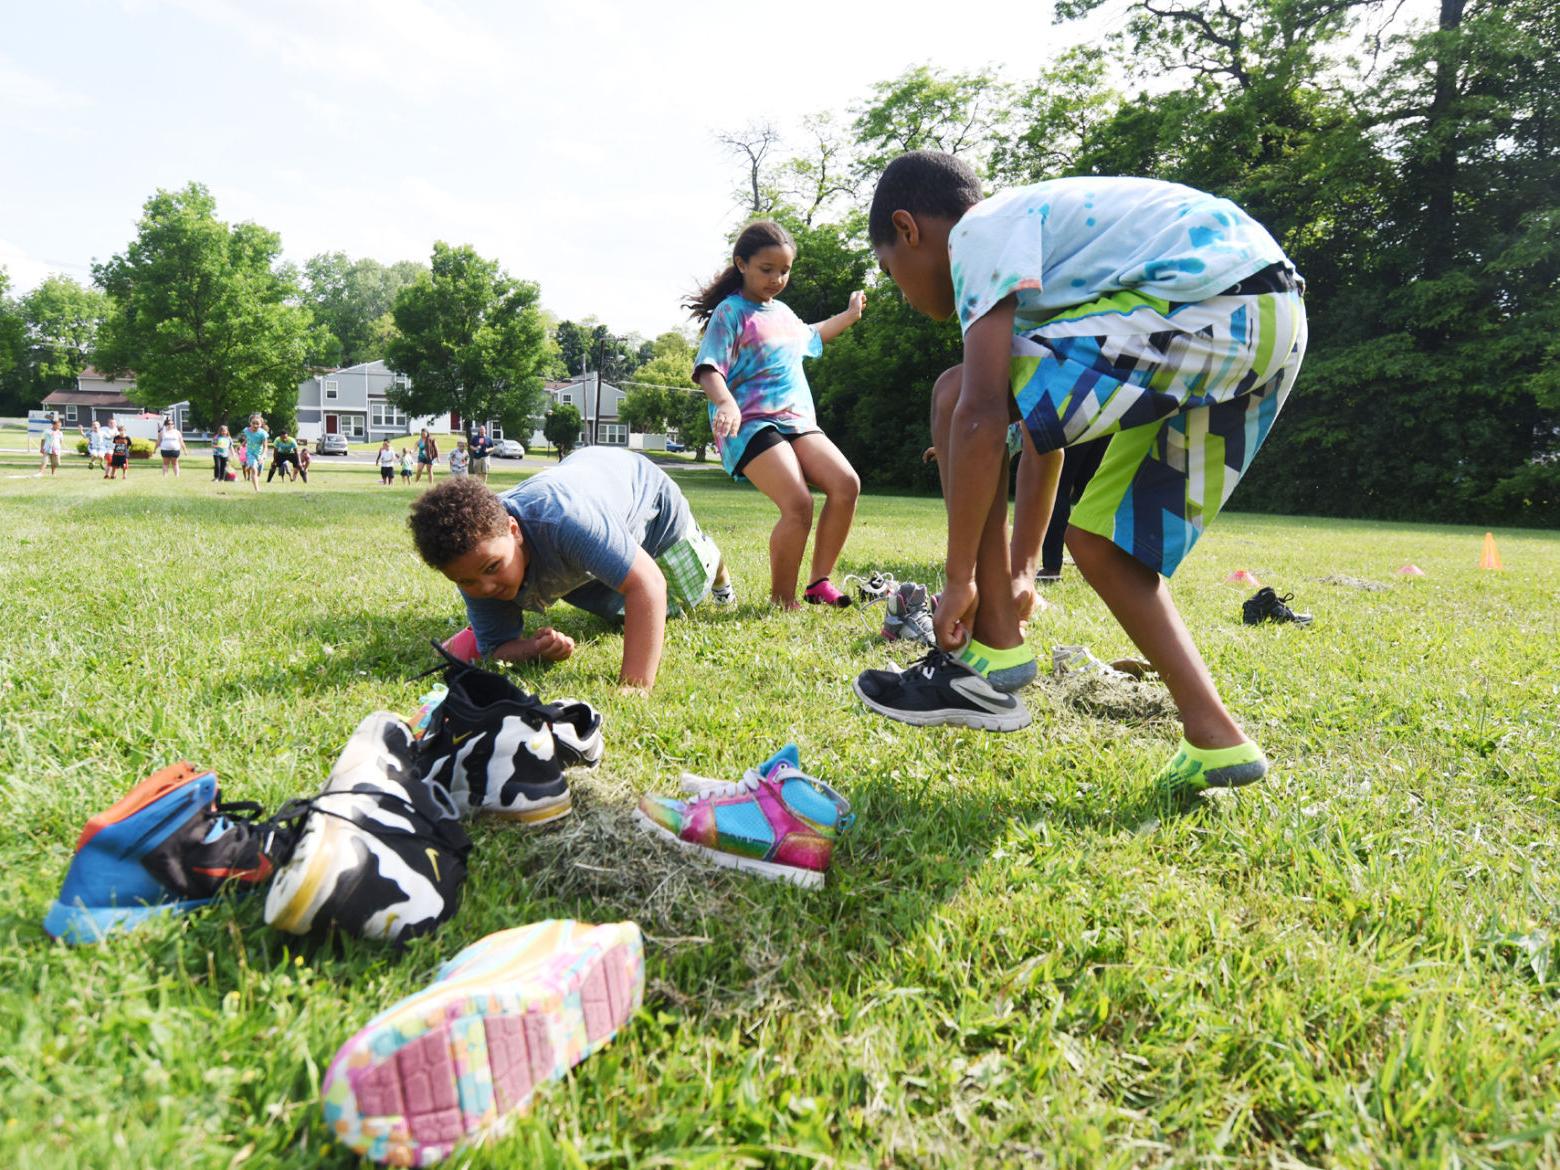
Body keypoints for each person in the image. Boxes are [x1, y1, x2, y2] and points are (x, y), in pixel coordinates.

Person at [854, 151, 1306, 793]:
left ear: (908, 230)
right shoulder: (1044, 269)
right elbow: (1044, 437)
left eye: (891, 273)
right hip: (1271, 321)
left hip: (1216, 298)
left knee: (955, 396)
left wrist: (958, 580)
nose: (902, 292)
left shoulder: (978, 231)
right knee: (1102, 544)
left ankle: (989, 658)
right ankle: (1216, 737)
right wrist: (1019, 567)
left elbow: (981, 414)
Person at [407, 447, 735, 692]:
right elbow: (497, 648)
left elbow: (647, 585)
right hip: (583, 515)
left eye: (494, 567)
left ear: (514, 530)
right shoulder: (476, 558)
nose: (486, 588)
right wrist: (534, 649)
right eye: (466, 582)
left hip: (647, 499)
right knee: (617, 612)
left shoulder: (565, 520)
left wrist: (634, 687)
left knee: (686, 592)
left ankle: (716, 567)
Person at [689, 220, 865, 609]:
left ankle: (819, 583)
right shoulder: (730, 311)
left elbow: (812, 335)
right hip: (750, 423)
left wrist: (850, 315)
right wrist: (725, 403)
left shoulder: (783, 313)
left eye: (784, 270)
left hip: (796, 421)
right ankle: (782, 600)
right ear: (742, 264)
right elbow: (709, 368)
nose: (777, 278)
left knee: (846, 483)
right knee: (799, 504)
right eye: (766, 269)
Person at [240, 414, 269, 493]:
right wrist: (244, 443)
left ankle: (249, 466)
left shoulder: (263, 434)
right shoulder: (246, 430)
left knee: (259, 473)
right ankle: (257, 490)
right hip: (250, 453)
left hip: (260, 454)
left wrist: (262, 457)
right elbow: (248, 437)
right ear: (250, 423)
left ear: (261, 424)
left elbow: (265, 447)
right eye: (253, 423)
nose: (255, 425)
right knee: (254, 470)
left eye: (257, 423)